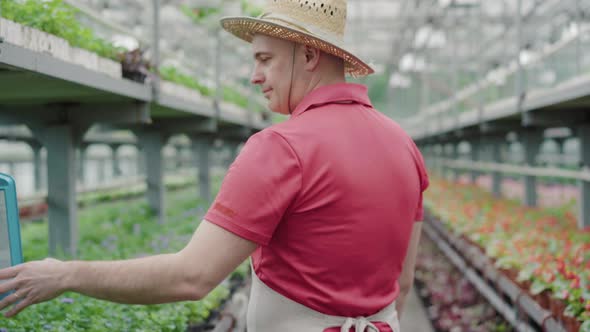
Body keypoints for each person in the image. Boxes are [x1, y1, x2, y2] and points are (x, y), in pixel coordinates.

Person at [0, 0, 429, 331]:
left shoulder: (281, 147)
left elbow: (191, 277)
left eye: (265, 59)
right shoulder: (404, 147)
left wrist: (66, 274)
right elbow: (402, 283)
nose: (254, 76)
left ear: (309, 55)